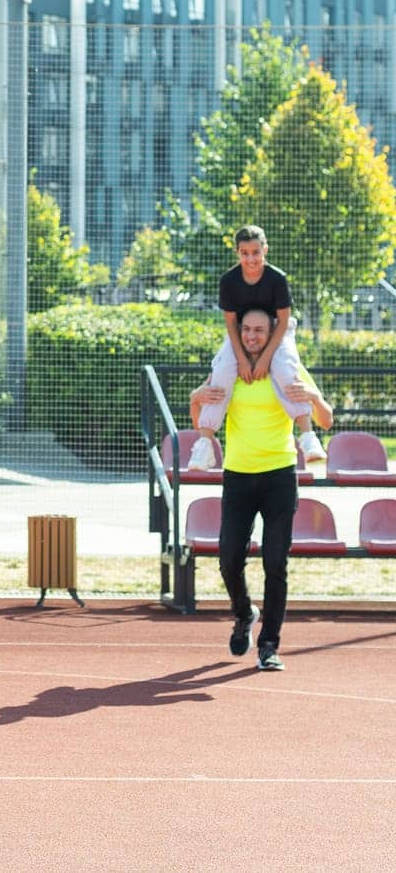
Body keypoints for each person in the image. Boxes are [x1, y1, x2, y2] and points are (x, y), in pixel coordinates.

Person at [190, 306, 333, 671]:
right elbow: (201, 418)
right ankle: (244, 614)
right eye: (247, 330)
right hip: (238, 477)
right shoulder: (229, 367)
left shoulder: (287, 365)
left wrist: (314, 399)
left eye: (259, 330)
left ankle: (269, 645)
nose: (252, 336)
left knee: (275, 563)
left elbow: (326, 420)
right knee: (228, 560)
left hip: (279, 476)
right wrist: (196, 399)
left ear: (272, 333)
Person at [189, 225, 324, 470]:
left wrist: (265, 359)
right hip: (242, 331)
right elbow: (230, 323)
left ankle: (307, 436)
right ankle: (204, 445)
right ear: (237, 253)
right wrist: (241, 358)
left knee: (285, 368)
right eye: (244, 253)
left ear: (265, 250)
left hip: (275, 330)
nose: (250, 259)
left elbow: (283, 321)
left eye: (255, 252)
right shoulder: (229, 281)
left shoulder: (277, 279)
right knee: (221, 372)